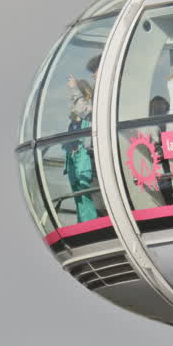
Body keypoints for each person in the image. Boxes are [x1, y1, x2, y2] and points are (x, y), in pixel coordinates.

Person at [62, 55, 101, 222]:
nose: (93, 75)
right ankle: (84, 221)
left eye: (95, 71)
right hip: (75, 157)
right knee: (79, 191)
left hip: (84, 156)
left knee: (85, 189)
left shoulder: (94, 102)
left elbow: (84, 109)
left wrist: (74, 90)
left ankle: (90, 221)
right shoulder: (77, 114)